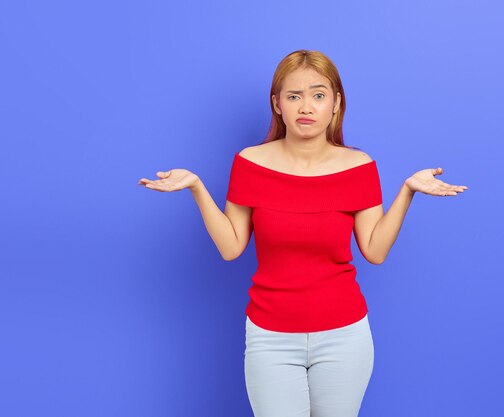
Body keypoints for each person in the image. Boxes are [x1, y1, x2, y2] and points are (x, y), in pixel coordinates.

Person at [138, 49, 468, 417]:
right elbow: (231, 247)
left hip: (344, 335)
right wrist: (198, 188)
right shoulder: (250, 163)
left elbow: (374, 250)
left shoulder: (359, 166)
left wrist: (406, 191)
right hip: (271, 336)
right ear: (277, 104)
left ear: (336, 103)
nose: (306, 106)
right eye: (294, 96)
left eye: (318, 95)